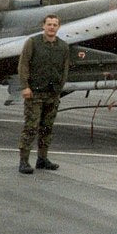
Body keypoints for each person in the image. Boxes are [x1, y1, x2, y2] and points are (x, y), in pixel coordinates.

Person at [17, 14, 70, 174]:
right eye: (49, 24)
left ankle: (42, 159)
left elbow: (65, 69)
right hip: (35, 93)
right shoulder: (33, 43)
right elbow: (23, 65)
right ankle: (24, 161)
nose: (52, 27)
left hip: (52, 94)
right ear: (43, 26)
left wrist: (60, 88)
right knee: (31, 127)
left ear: (58, 27)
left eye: (55, 25)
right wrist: (25, 86)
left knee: (47, 127)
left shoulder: (63, 47)